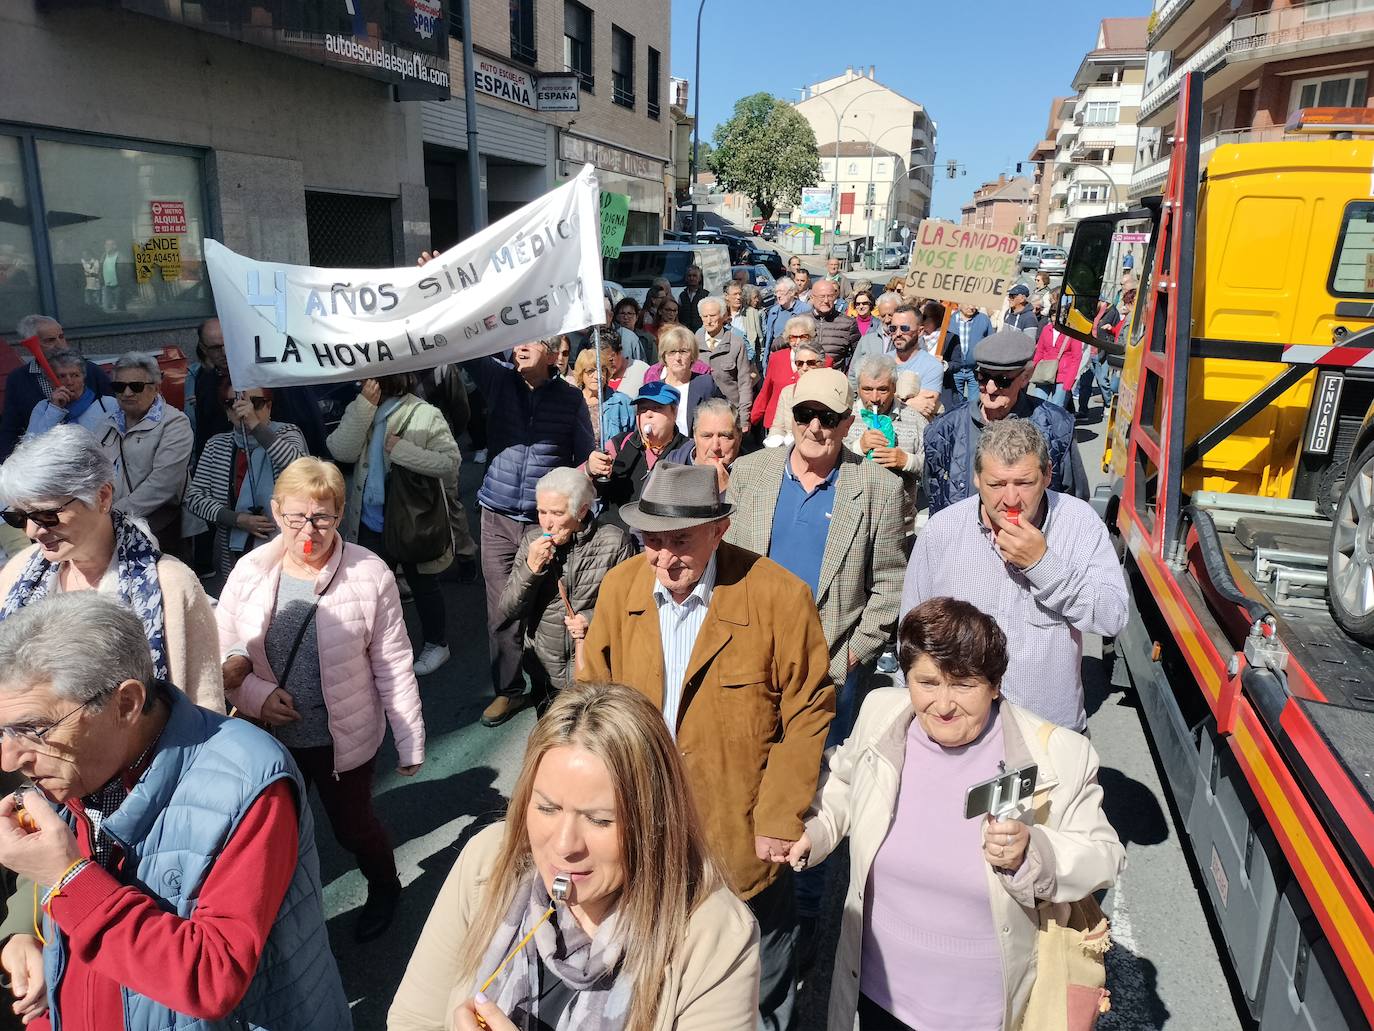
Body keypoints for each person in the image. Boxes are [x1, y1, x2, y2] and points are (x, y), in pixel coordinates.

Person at [0, 592, 350, 1030]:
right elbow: (59, 886)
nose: (10, 759)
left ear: (126, 704)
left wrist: (68, 881)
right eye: (2, 731)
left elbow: (212, 979)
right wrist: (25, 933)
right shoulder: (76, 766)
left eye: (33, 729)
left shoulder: (248, 782)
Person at [786, 597, 1126, 1030]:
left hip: (983, 1011)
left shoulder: (1057, 754)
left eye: (963, 685)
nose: (942, 705)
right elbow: (846, 782)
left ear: (995, 684)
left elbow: (1105, 856)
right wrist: (815, 831)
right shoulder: (882, 716)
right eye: (926, 682)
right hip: (878, 993)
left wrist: (1031, 854)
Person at [580, 463, 834, 1030]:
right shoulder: (621, 591)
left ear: (719, 530)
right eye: (653, 541)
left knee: (757, 990)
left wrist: (779, 814)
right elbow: (590, 702)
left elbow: (809, 708)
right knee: (650, 977)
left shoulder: (779, 597)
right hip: (642, 832)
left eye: (680, 542)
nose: (664, 558)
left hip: (738, 836)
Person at [388, 682, 760, 1031]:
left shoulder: (715, 939)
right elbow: (413, 1019)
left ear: (655, 824)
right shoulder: (488, 862)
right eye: (547, 809)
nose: (564, 846)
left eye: (599, 820)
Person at [216, 456, 425, 942]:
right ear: (275, 511)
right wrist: (256, 696)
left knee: (354, 829)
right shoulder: (251, 570)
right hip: (270, 742)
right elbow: (222, 650)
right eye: (295, 517)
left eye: (322, 517)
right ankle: (284, 921)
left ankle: (385, 885)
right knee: (272, 837)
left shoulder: (370, 575)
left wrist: (410, 740)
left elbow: (392, 661)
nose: (308, 530)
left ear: (340, 513)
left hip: (343, 744)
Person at [904, 418, 1127, 731]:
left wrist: (1043, 565)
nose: (1010, 499)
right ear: (977, 478)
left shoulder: (1079, 524)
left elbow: (1112, 616)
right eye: (996, 485)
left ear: (1047, 475)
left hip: (1047, 731)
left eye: (1024, 483)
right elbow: (911, 632)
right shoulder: (943, 531)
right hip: (960, 729)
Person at [0, 424, 223, 710]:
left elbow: (205, 704)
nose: (33, 531)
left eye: (47, 514)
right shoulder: (18, 571)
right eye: (19, 517)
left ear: (102, 497)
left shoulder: (172, 583)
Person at [465, 339, 596, 727]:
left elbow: (583, 460)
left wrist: (595, 467)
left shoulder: (570, 399)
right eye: (517, 338)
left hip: (546, 522)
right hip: (496, 515)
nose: (520, 346)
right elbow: (468, 349)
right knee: (501, 609)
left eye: (533, 340)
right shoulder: (498, 380)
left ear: (555, 353)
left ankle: (549, 692)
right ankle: (507, 690)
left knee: (542, 610)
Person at [326, 373, 458, 677]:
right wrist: (362, 408)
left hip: (412, 520)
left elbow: (449, 462)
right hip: (371, 518)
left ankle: (437, 643)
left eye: (372, 378)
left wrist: (401, 450)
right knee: (369, 587)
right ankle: (376, 647)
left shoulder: (424, 413)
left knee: (422, 581)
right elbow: (341, 451)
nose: (364, 382)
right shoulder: (362, 407)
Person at [496, 469, 636, 702]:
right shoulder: (532, 542)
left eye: (557, 513)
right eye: (541, 511)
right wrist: (531, 568)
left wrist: (590, 618)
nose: (547, 523)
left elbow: (630, 605)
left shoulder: (613, 542)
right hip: (545, 670)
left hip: (596, 669)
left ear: (582, 510)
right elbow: (510, 610)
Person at [923, 329, 1086, 515]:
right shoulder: (944, 428)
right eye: (983, 377)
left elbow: (1074, 499)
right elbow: (933, 490)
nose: (990, 389)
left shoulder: (1057, 426)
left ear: (1026, 377)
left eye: (1002, 380)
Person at [183, 381, 308, 592]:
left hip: (284, 547)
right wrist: (236, 519)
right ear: (226, 411)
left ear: (269, 406)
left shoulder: (287, 433)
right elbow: (194, 497)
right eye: (233, 403)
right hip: (234, 553)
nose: (244, 409)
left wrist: (256, 426)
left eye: (256, 403)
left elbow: (299, 467)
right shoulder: (216, 445)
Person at [93, 352, 195, 555]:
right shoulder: (106, 422)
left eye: (136, 386)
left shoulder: (175, 423)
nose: (127, 393)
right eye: (119, 387)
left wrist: (113, 513)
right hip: (114, 525)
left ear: (156, 387)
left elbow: (162, 484)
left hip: (160, 525)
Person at [187, 317, 328, 459]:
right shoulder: (205, 379)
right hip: (229, 466)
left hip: (277, 458)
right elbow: (205, 430)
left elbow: (304, 422)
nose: (224, 352)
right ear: (204, 349)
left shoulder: (273, 375)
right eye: (216, 348)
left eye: (229, 343)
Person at [0, 315, 111, 463]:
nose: (60, 345)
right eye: (50, 340)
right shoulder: (19, 379)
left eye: (61, 337)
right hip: (46, 460)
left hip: (94, 457)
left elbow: (114, 411)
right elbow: (11, 427)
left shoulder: (91, 371)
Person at [587, 381, 689, 531]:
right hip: (614, 536)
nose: (648, 414)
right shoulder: (619, 443)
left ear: (674, 412)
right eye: (642, 409)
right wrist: (590, 469)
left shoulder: (687, 449)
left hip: (661, 538)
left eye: (657, 408)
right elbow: (579, 482)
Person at [845, 354, 927, 535]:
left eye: (882, 390)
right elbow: (827, 462)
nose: (874, 398)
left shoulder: (915, 420)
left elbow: (934, 470)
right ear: (857, 387)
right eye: (867, 389)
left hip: (899, 528)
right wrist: (858, 447)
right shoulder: (844, 417)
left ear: (894, 387)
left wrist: (907, 461)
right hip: (852, 526)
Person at [412, 363, 479, 583]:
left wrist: (450, 433)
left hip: (441, 441)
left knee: (450, 502)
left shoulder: (443, 367)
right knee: (413, 501)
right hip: (408, 441)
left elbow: (461, 407)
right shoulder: (396, 362)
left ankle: (465, 555)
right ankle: (423, 561)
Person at [753, 316, 833, 436]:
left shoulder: (824, 360)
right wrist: (752, 419)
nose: (798, 341)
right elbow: (766, 391)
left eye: (803, 337)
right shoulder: (776, 358)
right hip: (777, 424)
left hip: (808, 424)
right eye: (793, 337)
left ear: (811, 337)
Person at [24, 350, 119, 439]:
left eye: (75, 375)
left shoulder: (108, 404)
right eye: (61, 376)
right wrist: (54, 409)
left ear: (83, 377)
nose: (69, 382)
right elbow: (30, 445)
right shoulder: (43, 408)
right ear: (50, 381)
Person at [651, 326, 723, 437]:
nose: (677, 358)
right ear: (664, 356)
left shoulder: (705, 384)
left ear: (692, 356)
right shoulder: (655, 390)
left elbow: (721, 418)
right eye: (672, 352)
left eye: (683, 351)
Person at [695, 296, 753, 430]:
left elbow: (744, 383)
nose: (708, 321)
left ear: (723, 316)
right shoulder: (693, 342)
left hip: (730, 413)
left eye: (713, 316)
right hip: (701, 415)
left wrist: (744, 418)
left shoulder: (736, 344)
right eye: (705, 316)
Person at [668, 397, 742, 495]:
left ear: (739, 437)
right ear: (695, 436)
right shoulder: (669, 467)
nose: (715, 447)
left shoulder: (757, 474)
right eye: (707, 436)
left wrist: (727, 490)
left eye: (724, 436)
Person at [571, 341, 634, 448]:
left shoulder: (622, 402)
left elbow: (633, 439)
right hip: (580, 462)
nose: (597, 376)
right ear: (581, 374)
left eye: (602, 370)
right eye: (591, 371)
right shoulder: (572, 403)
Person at [765, 337, 827, 445]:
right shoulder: (787, 392)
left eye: (811, 363)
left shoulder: (831, 392)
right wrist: (773, 443)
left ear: (822, 364)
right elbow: (778, 427)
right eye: (799, 363)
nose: (804, 368)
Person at [889, 305, 944, 420]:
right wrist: (909, 402)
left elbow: (925, 406)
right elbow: (873, 400)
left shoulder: (932, 366)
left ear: (920, 331)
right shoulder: (882, 361)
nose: (898, 333)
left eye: (904, 328)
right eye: (893, 329)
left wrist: (890, 399)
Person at [847, 291, 900, 388]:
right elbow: (853, 371)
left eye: (891, 315)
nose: (887, 320)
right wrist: (854, 397)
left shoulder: (908, 339)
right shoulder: (867, 339)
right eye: (883, 315)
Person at [1029, 311, 1082, 409]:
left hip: (1062, 375)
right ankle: (1039, 424)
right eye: (1053, 315)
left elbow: (1076, 358)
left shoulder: (1073, 333)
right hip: (1045, 372)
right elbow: (1040, 351)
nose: (1055, 318)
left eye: (1059, 315)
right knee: (1037, 404)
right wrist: (1031, 369)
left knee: (1056, 408)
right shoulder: (1046, 329)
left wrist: (1068, 382)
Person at [809, 279, 860, 372]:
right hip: (806, 379)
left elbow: (858, 356)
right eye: (821, 296)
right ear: (812, 298)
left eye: (830, 296)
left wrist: (847, 376)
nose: (826, 300)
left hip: (835, 380)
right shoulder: (801, 320)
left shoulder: (848, 323)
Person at [951, 303, 995, 404]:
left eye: (974, 304)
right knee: (956, 404)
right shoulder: (950, 320)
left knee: (975, 404)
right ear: (959, 303)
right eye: (968, 304)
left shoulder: (983, 319)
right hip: (955, 371)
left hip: (975, 371)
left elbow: (991, 343)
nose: (971, 307)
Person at [762, 277, 812, 352]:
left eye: (781, 292)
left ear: (791, 292)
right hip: (776, 355)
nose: (778, 295)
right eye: (776, 292)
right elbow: (769, 339)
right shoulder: (773, 311)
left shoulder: (805, 309)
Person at [603, 328, 650, 398]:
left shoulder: (642, 370)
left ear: (620, 351)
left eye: (611, 360)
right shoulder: (594, 377)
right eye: (603, 361)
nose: (608, 365)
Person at [725, 281, 764, 366]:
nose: (738, 297)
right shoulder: (722, 315)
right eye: (735, 294)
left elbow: (760, 341)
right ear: (726, 296)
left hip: (747, 362)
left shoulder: (751, 313)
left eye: (740, 294)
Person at [678, 264, 709, 332]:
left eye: (694, 276)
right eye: (689, 276)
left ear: (700, 278)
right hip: (685, 332)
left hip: (701, 331)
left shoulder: (706, 295)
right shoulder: (682, 295)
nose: (692, 278)